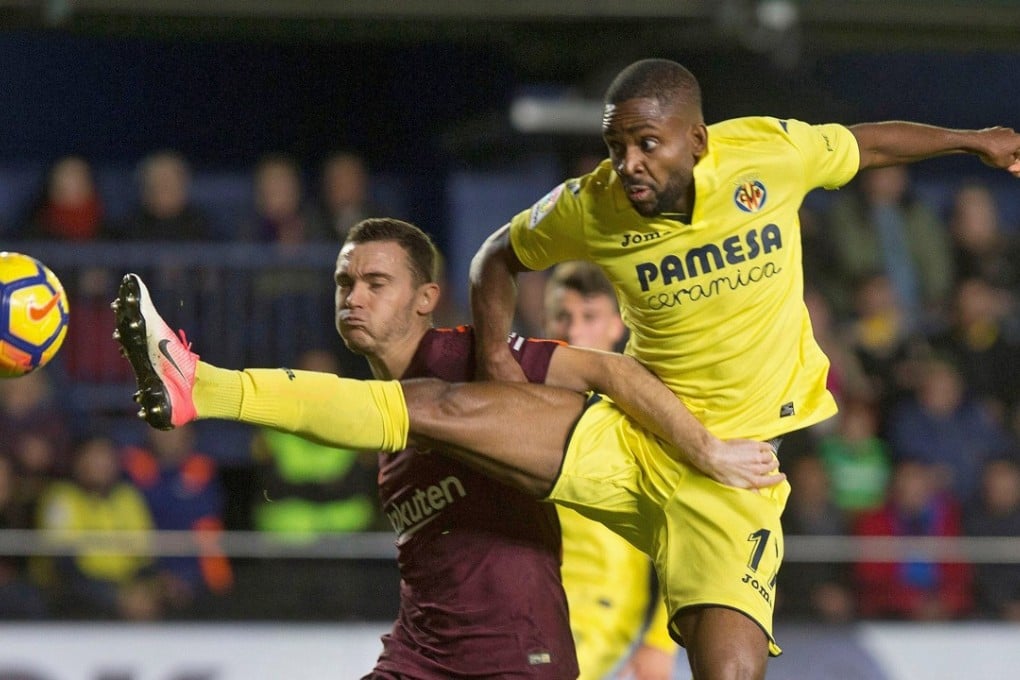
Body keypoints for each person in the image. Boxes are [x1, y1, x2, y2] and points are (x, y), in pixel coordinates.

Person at [466, 59, 1020, 678]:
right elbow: (496, 257)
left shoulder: (766, 155)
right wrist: (493, 358)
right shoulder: (592, 205)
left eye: (647, 143)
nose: (628, 163)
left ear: (697, 140)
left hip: (736, 471)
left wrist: (971, 141)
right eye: (615, 146)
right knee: (434, 412)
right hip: (641, 435)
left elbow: (866, 144)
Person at [113, 217, 777, 678]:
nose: (355, 297)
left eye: (378, 283)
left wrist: (707, 447)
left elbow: (606, 371)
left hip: (518, 660)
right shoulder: (377, 428)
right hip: (424, 658)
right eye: (346, 283)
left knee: (432, 407)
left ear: (427, 297)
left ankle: (200, 384)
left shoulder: (470, 358)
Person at [543, 261, 677, 680]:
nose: (575, 332)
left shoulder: (643, 414)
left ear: (617, 326)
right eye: (563, 317)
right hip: (523, 605)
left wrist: (661, 642)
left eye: (589, 317)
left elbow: (680, 529)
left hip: (599, 610)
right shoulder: (519, 403)